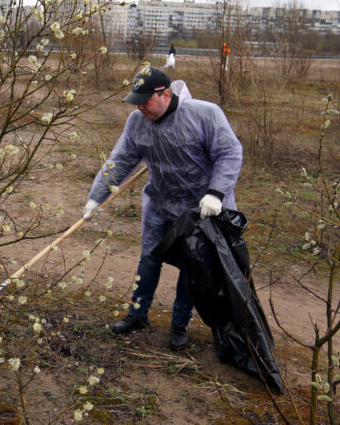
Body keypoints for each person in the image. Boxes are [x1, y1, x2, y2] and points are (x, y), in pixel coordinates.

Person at [82, 67, 243, 350]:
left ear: (165, 95)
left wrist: (216, 193)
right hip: (160, 203)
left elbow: (229, 153)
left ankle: (179, 325)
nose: (140, 106)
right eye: (136, 100)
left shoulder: (205, 114)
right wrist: (96, 196)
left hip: (200, 208)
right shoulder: (137, 122)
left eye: (145, 100)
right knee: (149, 258)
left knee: (192, 266)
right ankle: (137, 314)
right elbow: (120, 160)